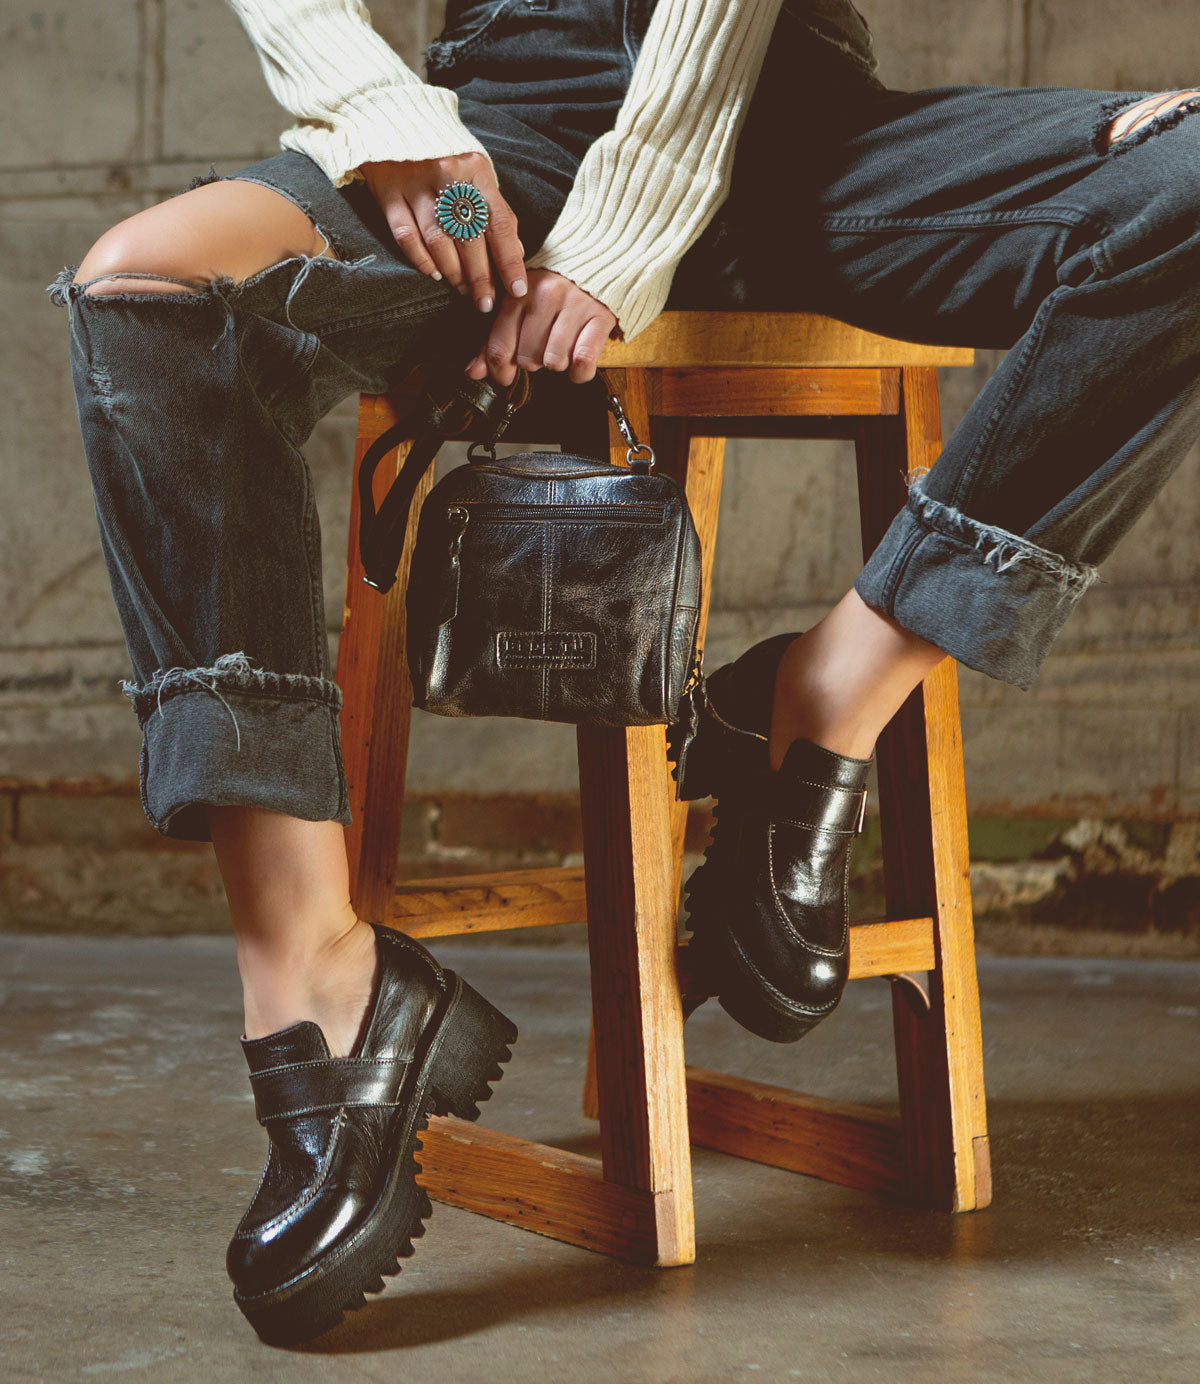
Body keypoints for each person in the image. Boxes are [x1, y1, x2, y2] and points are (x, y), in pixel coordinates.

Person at [48, 0, 1200, 1346]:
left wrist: (620, 234)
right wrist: (382, 114)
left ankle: (825, 695)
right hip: (502, 149)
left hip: (809, 144)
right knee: (149, 290)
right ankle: (316, 975)